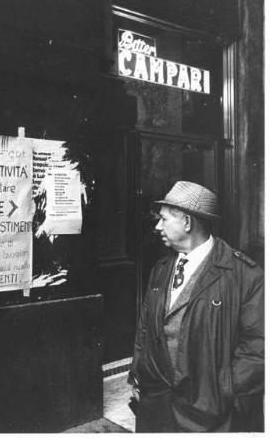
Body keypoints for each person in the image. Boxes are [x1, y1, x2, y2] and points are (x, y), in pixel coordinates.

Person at [128, 181, 264, 432]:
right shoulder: (160, 269)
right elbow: (145, 328)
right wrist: (138, 375)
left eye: (164, 219)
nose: (157, 226)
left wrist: (225, 390)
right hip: (156, 405)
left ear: (187, 222)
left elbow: (257, 348)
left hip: (210, 414)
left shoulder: (245, 275)